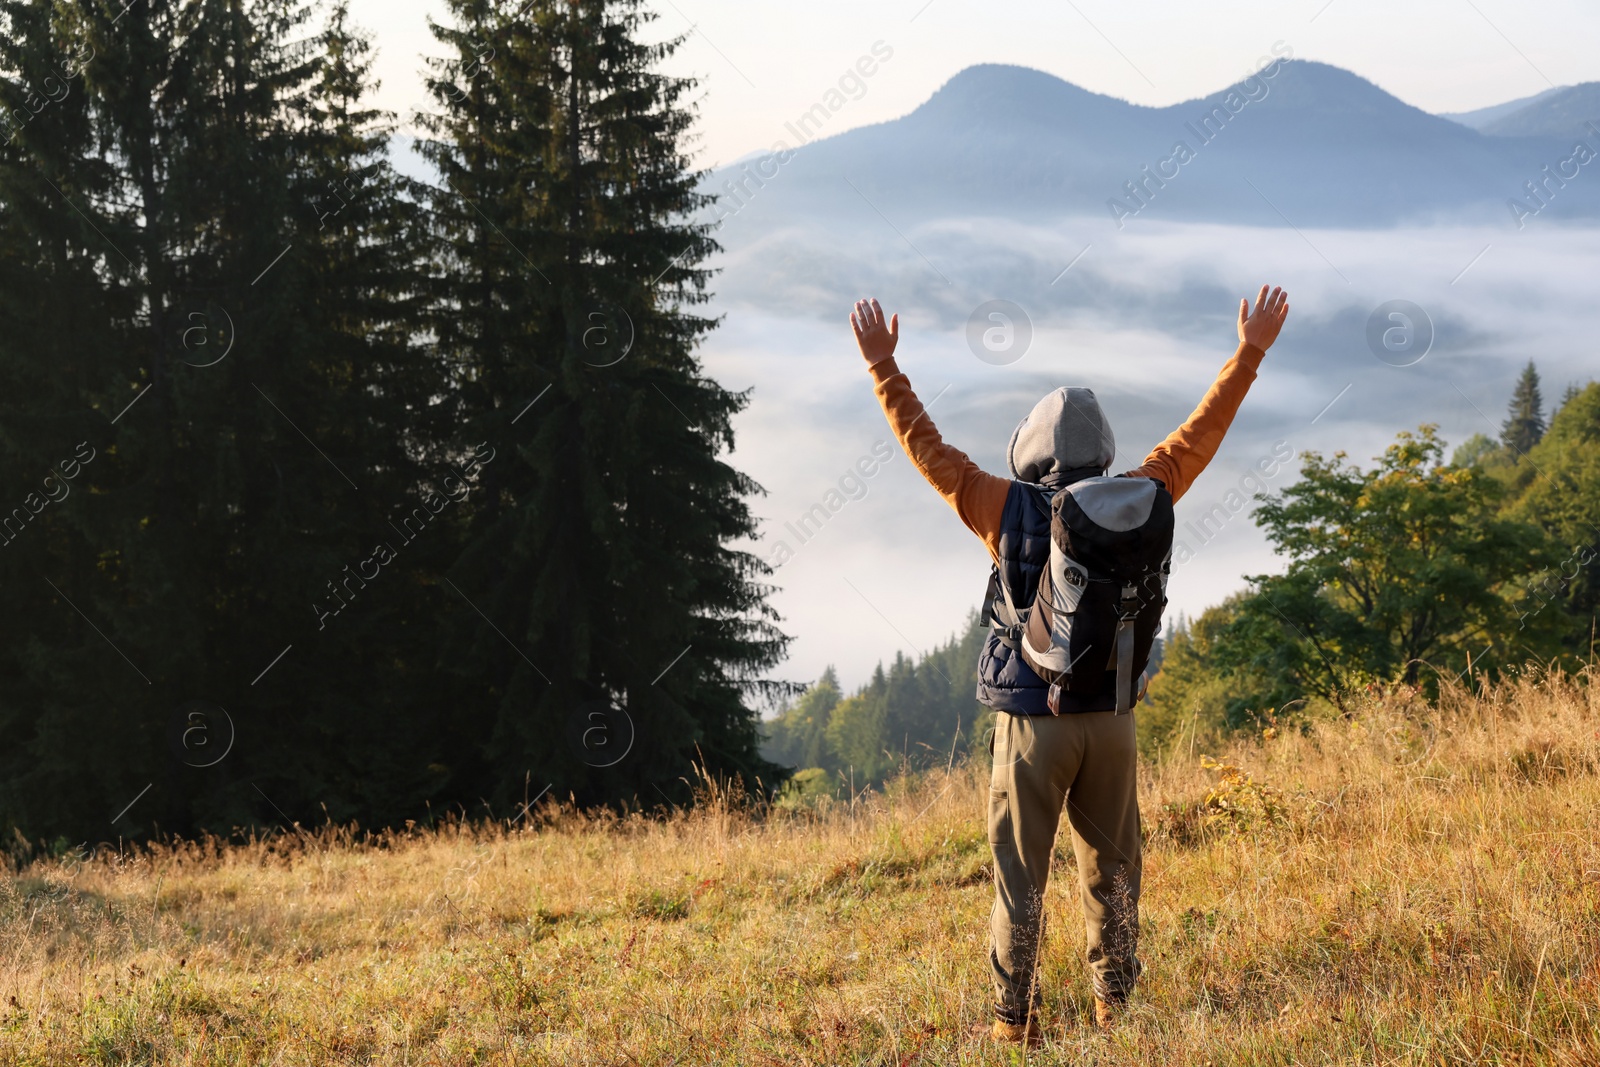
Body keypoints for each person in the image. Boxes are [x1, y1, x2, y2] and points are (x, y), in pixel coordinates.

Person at [848, 286, 1291, 1044]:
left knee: (1020, 879)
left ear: (1032, 451)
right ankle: (1115, 1009)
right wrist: (1249, 352)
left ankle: (1011, 1023)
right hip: (1112, 718)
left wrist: (885, 368)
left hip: (1031, 724)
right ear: (1103, 451)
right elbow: (1201, 433)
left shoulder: (1001, 503)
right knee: (1115, 872)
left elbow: (930, 452)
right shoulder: (1148, 492)